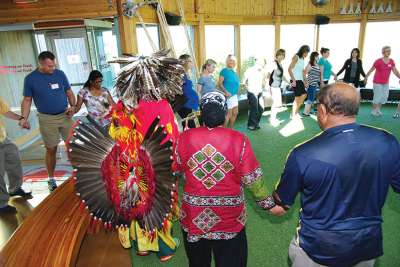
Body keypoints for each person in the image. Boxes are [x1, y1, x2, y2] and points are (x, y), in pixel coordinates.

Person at [269, 83, 400, 267]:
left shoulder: (303, 153)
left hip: (317, 250)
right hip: (366, 246)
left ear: (322, 110)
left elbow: (280, 205)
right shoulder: (387, 141)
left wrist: (259, 199)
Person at [174, 91, 276, 267]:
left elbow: (174, 169)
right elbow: (252, 179)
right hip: (229, 218)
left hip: (194, 216)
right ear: (225, 113)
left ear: (202, 113)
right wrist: (268, 203)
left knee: (198, 262)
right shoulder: (239, 140)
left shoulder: (184, 139)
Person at [21, 51, 76, 192]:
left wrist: (73, 107)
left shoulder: (60, 74)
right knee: (51, 149)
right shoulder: (30, 79)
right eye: (49, 66)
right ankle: (51, 179)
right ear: (41, 64)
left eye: (54, 65)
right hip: (47, 118)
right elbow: (27, 100)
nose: (53, 69)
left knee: (74, 145)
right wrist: (23, 118)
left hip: (65, 116)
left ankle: (79, 174)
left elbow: (69, 92)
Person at [0, 98, 32, 214]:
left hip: (3, 137)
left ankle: (14, 189)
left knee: (14, 158)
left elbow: (5, 111)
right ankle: (1, 204)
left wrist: (22, 118)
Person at [365, 46, 400, 117]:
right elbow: (372, 69)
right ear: (383, 52)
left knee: (384, 96)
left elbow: (395, 71)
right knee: (377, 96)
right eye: (387, 51)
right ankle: (374, 111)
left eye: (389, 51)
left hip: (386, 82)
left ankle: (378, 109)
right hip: (377, 82)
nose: (389, 52)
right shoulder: (378, 61)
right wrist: (366, 76)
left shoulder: (391, 61)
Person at [267, 49, 289, 126]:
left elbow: (282, 76)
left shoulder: (280, 64)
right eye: (281, 54)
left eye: (283, 55)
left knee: (277, 104)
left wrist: (289, 82)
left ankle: (272, 118)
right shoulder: (274, 63)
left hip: (277, 87)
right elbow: (268, 74)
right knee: (275, 103)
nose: (282, 56)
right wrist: (267, 86)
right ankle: (272, 119)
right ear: (277, 55)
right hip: (273, 86)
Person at [177, 54, 199, 129]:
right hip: (184, 105)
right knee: (190, 126)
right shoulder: (179, 74)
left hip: (188, 105)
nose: (192, 63)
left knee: (188, 126)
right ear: (184, 62)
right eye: (190, 61)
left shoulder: (185, 74)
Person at [218, 55, 240, 128]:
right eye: (230, 60)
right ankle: (224, 131)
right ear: (227, 61)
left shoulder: (234, 72)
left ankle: (231, 129)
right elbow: (220, 84)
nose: (232, 62)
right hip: (228, 95)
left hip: (234, 95)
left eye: (234, 60)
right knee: (229, 114)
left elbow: (236, 83)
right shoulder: (224, 71)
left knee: (235, 113)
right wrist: (226, 92)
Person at [243, 58, 266, 130]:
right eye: (262, 62)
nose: (262, 64)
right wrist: (249, 89)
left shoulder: (262, 71)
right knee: (254, 109)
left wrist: (264, 83)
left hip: (260, 92)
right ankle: (251, 125)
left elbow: (263, 82)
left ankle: (256, 123)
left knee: (261, 108)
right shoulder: (249, 70)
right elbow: (244, 81)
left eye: (263, 63)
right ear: (256, 62)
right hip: (252, 92)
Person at [288, 45, 310, 119]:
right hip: (295, 80)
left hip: (300, 80)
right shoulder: (296, 56)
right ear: (302, 51)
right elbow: (289, 69)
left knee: (304, 95)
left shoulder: (302, 59)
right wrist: (293, 80)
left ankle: (295, 113)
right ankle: (294, 114)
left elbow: (303, 72)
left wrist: (306, 82)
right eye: (306, 53)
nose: (306, 55)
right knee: (297, 98)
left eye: (307, 53)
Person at [303, 51, 323, 116]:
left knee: (311, 98)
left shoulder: (317, 64)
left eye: (318, 56)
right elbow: (304, 73)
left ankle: (308, 111)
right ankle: (305, 112)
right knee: (310, 98)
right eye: (317, 56)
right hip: (310, 84)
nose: (318, 57)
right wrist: (306, 83)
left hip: (315, 84)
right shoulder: (310, 64)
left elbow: (318, 75)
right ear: (314, 57)